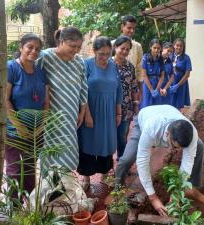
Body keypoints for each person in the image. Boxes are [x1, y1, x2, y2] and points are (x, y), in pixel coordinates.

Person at [114, 105, 204, 216]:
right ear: (167, 134)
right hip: (144, 120)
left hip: (167, 111)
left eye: (181, 148)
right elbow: (142, 161)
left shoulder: (192, 133)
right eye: (175, 146)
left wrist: (176, 193)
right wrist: (153, 197)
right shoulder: (151, 128)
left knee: (199, 146)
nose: (177, 150)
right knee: (126, 160)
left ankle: (190, 187)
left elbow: (187, 163)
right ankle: (117, 191)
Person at [37, 27, 88, 173]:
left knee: (69, 151)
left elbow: (83, 87)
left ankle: (65, 185)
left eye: (78, 47)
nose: (76, 50)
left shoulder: (79, 61)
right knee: (50, 152)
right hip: (51, 116)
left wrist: (82, 111)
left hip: (71, 114)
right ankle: (50, 189)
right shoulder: (44, 57)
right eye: (73, 46)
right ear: (62, 41)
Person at [5, 33, 49, 195]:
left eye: (37, 49)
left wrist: (41, 126)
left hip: (36, 132)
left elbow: (46, 101)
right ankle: (14, 208)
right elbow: (5, 99)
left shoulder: (40, 71)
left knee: (30, 170)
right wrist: (18, 126)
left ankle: (30, 205)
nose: (34, 51)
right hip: (14, 131)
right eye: (30, 47)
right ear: (20, 47)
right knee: (15, 170)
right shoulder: (11, 68)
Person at [77, 36, 123, 190]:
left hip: (109, 111)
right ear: (94, 51)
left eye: (108, 54)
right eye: (101, 54)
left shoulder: (113, 65)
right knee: (88, 142)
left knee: (107, 142)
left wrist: (118, 113)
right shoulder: (86, 65)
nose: (105, 57)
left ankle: (104, 173)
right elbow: (81, 90)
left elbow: (118, 89)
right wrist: (87, 114)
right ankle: (86, 176)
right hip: (91, 109)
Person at [113, 36, 139, 160]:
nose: (124, 51)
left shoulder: (130, 67)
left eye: (127, 49)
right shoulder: (108, 65)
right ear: (115, 47)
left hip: (127, 106)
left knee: (123, 136)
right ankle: (107, 165)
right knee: (110, 136)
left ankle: (122, 161)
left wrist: (136, 104)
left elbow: (134, 87)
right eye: (122, 48)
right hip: (110, 106)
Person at [113, 15, 143, 91]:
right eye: (129, 28)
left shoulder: (137, 46)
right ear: (122, 27)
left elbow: (139, 69)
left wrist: (140, 90)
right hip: (113, 87)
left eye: (134, 28)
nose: (132, 31)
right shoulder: (112, 44)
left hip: (131, 88)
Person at [139, 39, 165, 110]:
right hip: (147, 84)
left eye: (158, 48)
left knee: (157, 106)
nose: (156, 50)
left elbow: (162, 76)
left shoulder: (161, 59)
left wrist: (157, 89)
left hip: (157, 84)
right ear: (150, 47)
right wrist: (151, 90)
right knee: (147, 105)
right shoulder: (145, 58)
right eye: (154, 48)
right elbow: (144, 75)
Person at [169, 38, 192, 109]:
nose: (179, 47)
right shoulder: (169, 56)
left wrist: (177, 85)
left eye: (181, 46)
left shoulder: (186, 58)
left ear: (183, 47)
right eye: (177, 45)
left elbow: (187, 74)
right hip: (170, 84)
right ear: (173, 45)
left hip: (181, 84)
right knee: (169, 103)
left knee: (179, 105)